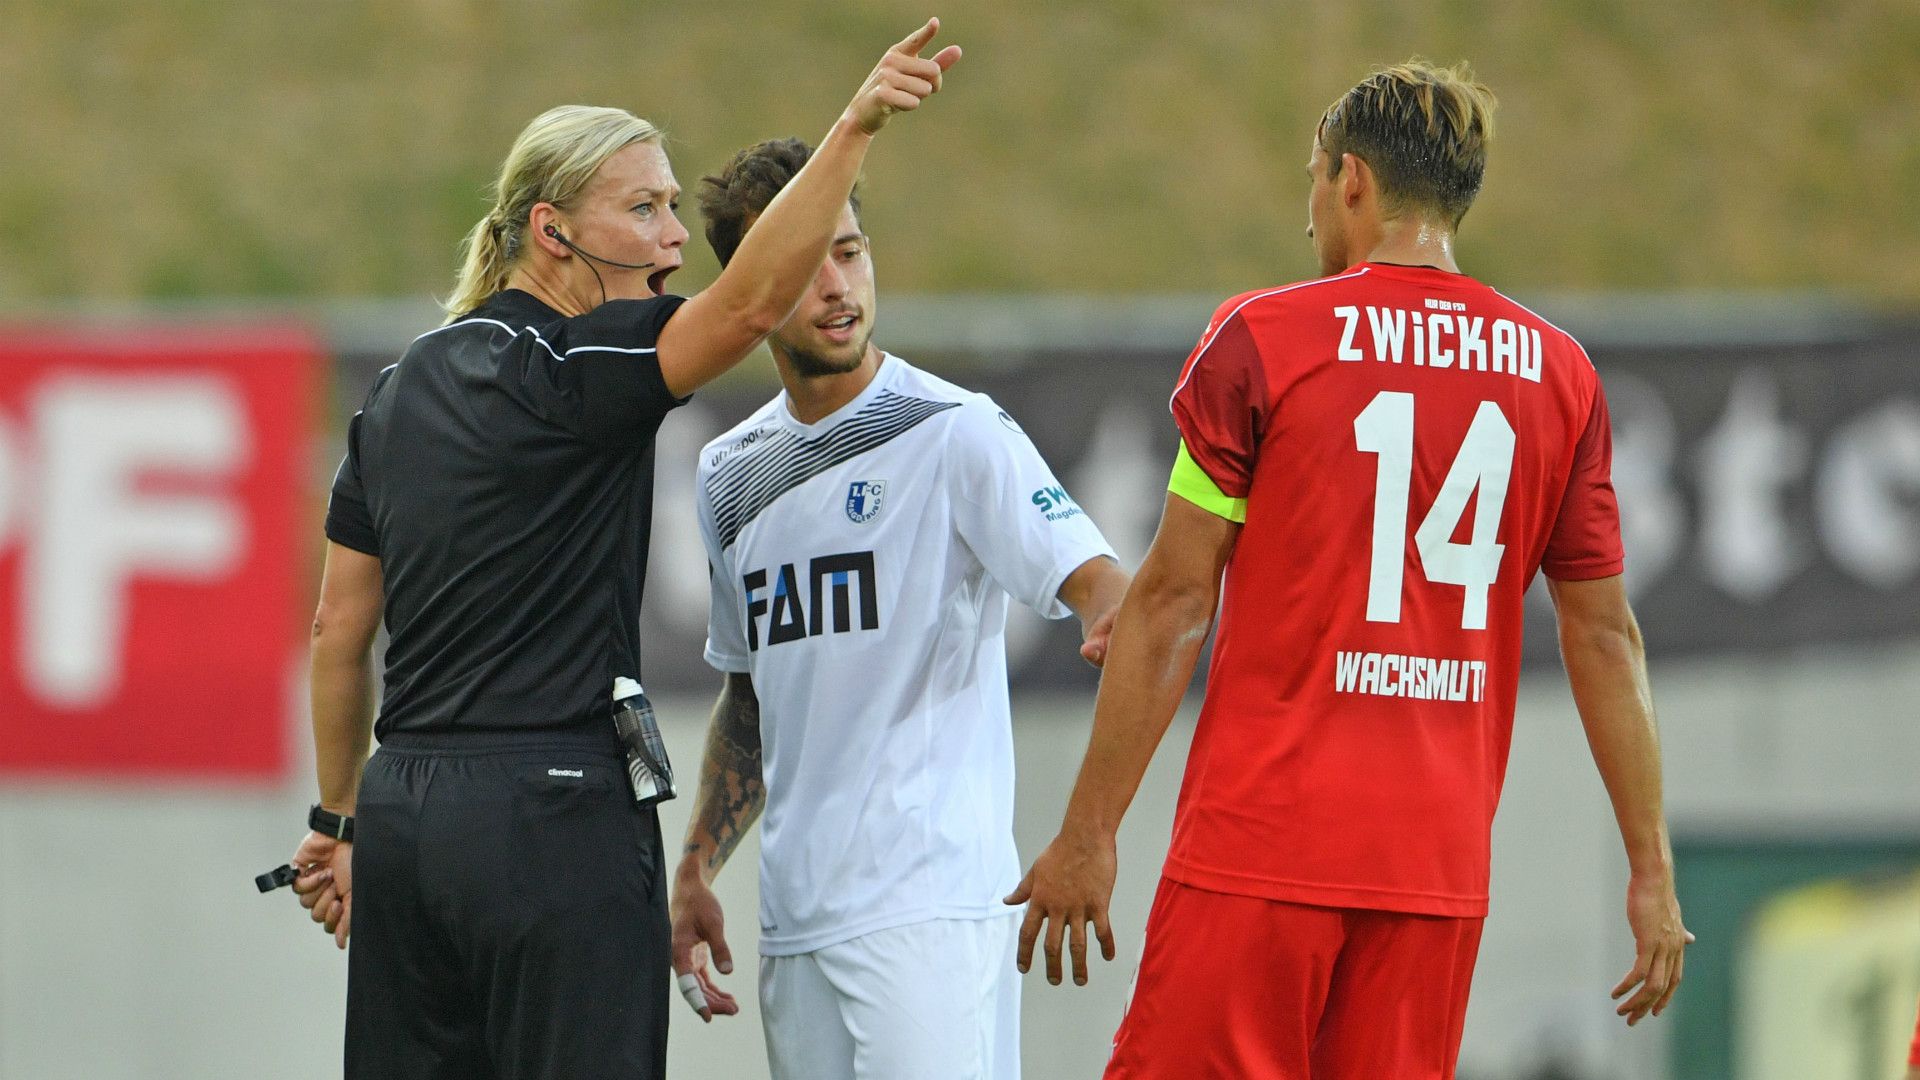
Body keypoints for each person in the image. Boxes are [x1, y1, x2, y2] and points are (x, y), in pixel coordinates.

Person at [283, 20, 962, 1080]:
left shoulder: (394, 391)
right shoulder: (575, 365)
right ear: (552, 231)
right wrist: (856, 128)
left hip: (406, 813)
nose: (674, 239)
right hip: (555, 817)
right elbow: (752, 304)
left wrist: (339, 818)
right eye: (643, 209)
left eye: (672, 208)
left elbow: (337, 629)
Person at [1009, 60, 1692, 1078]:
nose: (1310, 214)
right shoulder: (1561, 374)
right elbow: (1604, 637)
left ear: (1354, 180)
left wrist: (1088, 832)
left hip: (1263, 842)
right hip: (1436, 868)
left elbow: (1178, 598)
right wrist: (1650, 868)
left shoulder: (1262, 339)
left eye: (1314, 181)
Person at [668, 136, 1131, 1080]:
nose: (838, 286)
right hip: (795, 928)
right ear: (751, 286)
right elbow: (751, 697)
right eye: (806, 264)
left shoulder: (956, 432)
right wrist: (697, 866)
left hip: (929, 918)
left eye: (850, 251)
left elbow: (1112, 599)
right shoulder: (726, 474)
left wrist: (1090, 831)